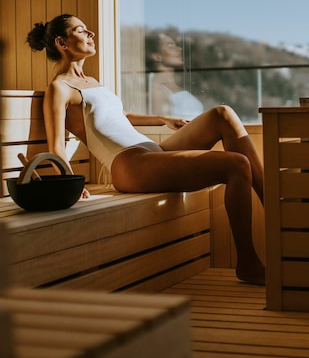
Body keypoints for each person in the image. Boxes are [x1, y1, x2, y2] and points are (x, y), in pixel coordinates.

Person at [26, 14, 265, 285]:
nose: (91, 34)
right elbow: (56, 145)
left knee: (222, 114)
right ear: (62, 42)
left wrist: (162, 119)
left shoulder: (92, 82)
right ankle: (248, 262)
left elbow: (121, 116)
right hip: (130, 165)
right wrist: (69, 184)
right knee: (236, 165)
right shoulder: (59, 88)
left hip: (151, 152)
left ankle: (271, 204)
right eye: (82, 30)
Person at [145, 32, 204, 119]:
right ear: (157, 56)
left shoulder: (174, 86)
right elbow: (160, 127)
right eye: (170, 46)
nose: (179, 49)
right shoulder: (156, 89)